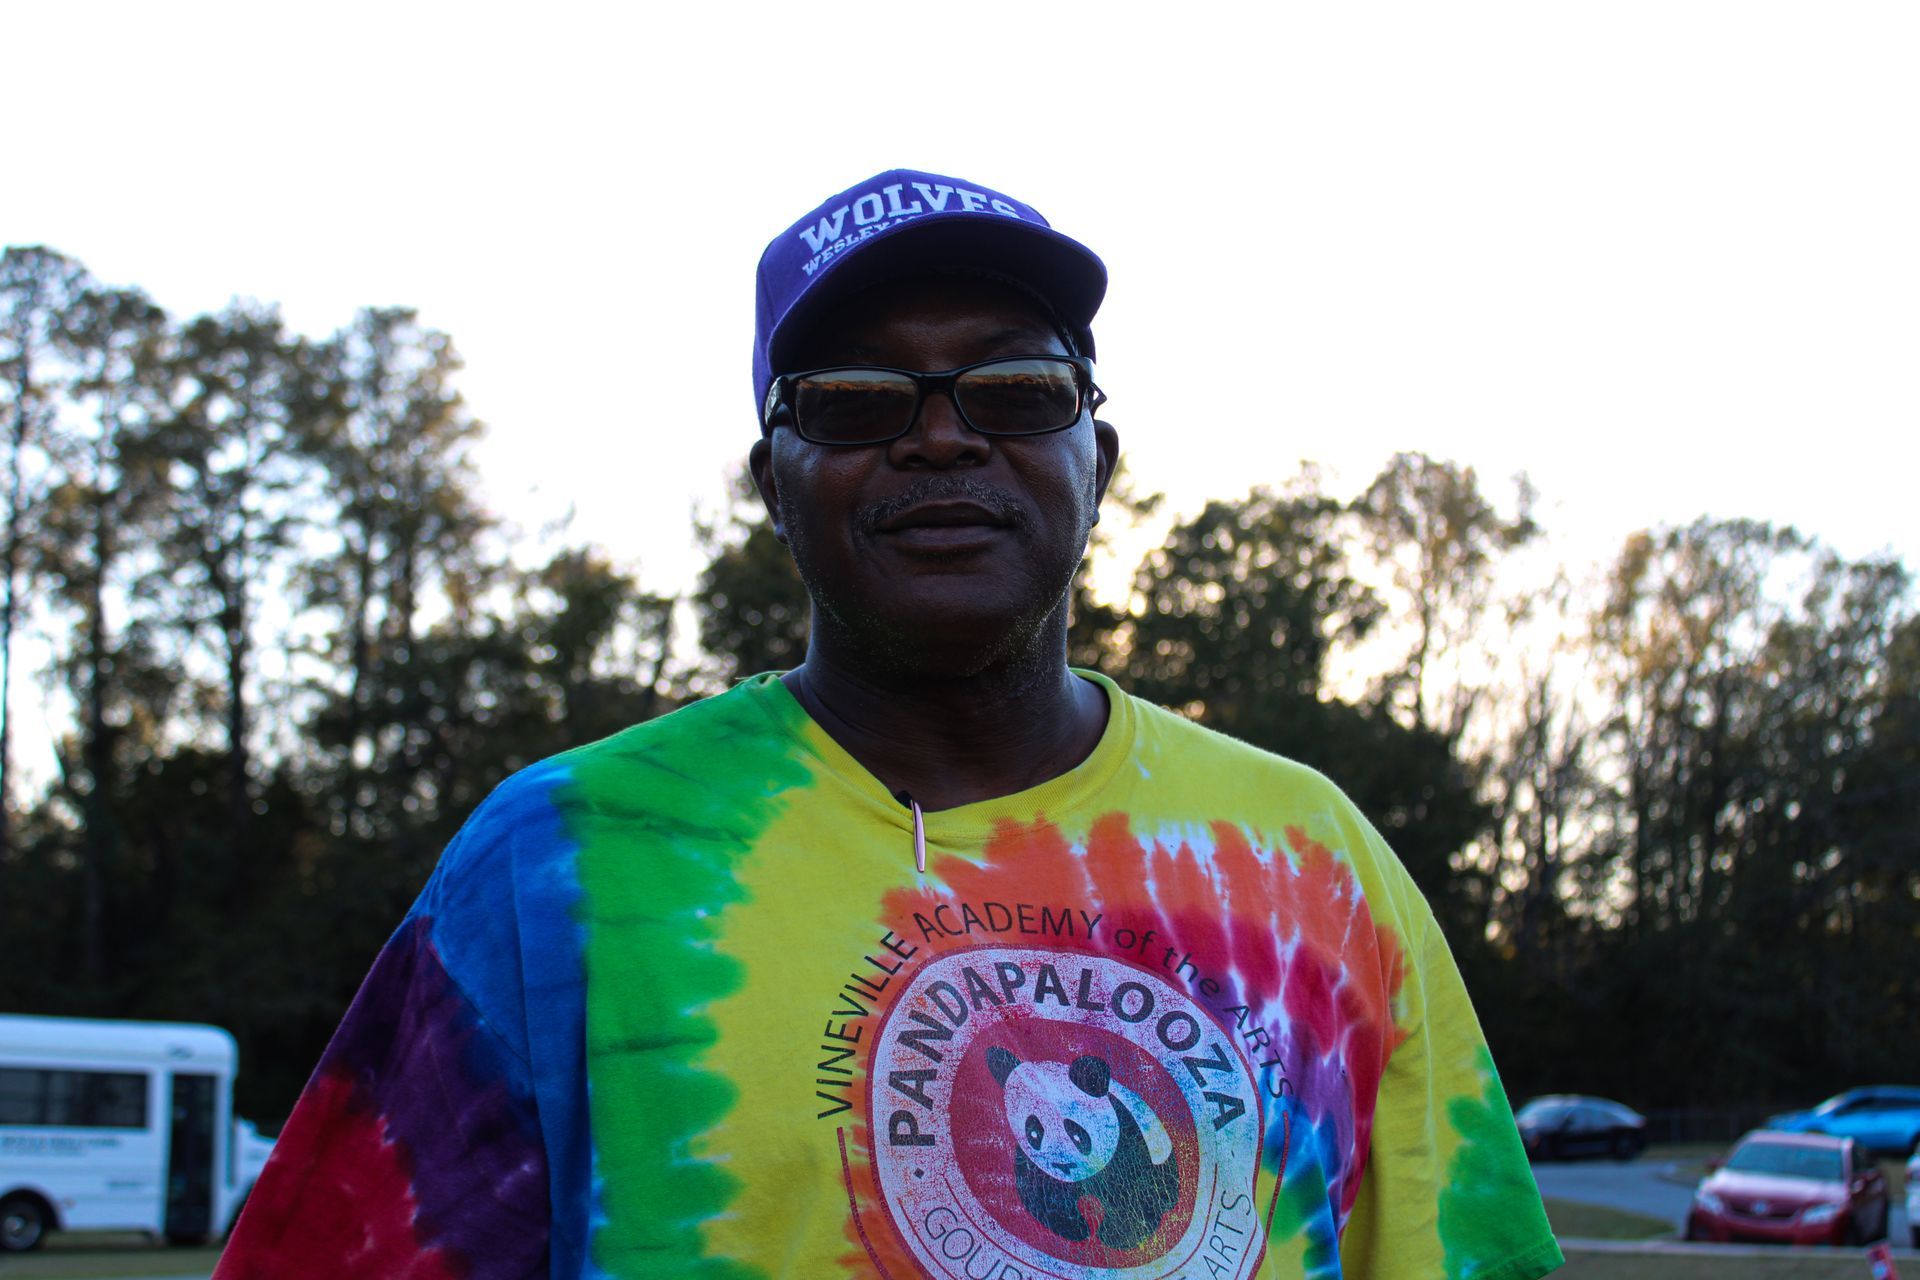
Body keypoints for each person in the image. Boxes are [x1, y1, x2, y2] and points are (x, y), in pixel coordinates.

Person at [215, 169, 1562, 1280]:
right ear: (773, 485)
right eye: (858, 403)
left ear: (1103, 458)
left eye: (1019, 392)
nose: (939, 439)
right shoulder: (568, 864)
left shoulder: (1307, 863)